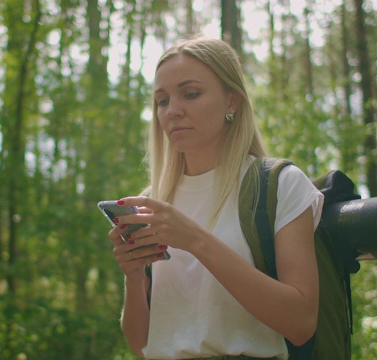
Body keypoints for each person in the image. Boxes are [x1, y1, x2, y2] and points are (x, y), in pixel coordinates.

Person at [106, 36, 324, 360]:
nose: (172, 111)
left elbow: (301, 322)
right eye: (162, 101)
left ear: (232, 101)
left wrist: (195, 239)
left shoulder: (280, 186)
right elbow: (141, 346)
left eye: (190, 94)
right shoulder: (153, 202)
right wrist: (134, 278)